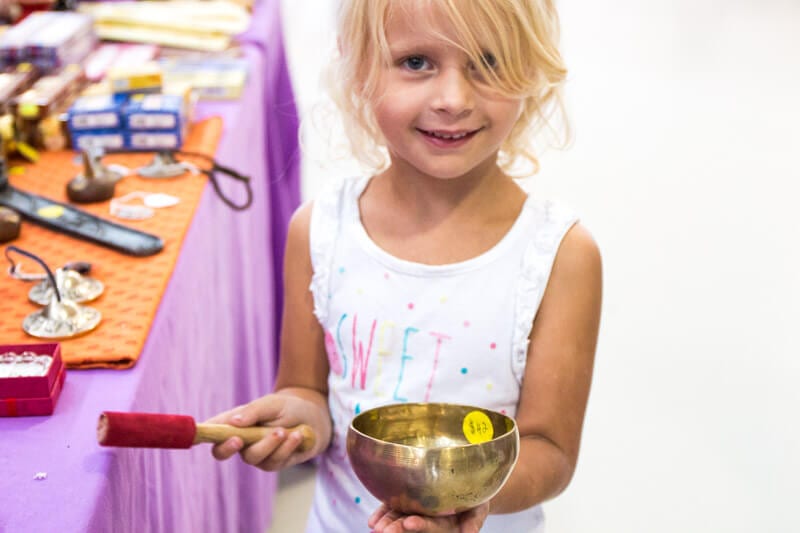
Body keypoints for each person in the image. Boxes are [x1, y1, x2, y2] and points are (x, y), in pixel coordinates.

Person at [208, 0, 602, 531]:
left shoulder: (559, 256)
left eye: (487, 64)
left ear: (530, 72)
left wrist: (465, 499)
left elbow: (549, 451)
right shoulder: (321, 230)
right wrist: (296, 422)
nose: (453, 100)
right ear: (359, 71)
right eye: (416, 62)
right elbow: (306, 391)